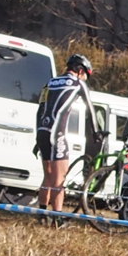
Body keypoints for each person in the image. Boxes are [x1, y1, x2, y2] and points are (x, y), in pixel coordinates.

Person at [36, 53, 95, 211]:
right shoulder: (78, 83)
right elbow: (90, 109)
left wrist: (37, 137)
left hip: (42, 131)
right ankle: (57, 217)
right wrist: (96, 132)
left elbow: (40, 109)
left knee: (47, 176)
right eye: (86, 76)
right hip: (57, 134)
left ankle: (42, 213)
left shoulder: (50, 82)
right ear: (81, 71)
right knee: (59, 179)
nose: (85, 80)